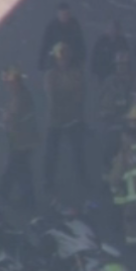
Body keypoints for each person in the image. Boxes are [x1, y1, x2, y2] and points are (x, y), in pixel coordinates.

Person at [43, 42, 90, 193]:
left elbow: (80, 95)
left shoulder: (76, 73)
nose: (63, 61)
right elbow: (52, 97)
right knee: (51, 153)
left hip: (73, 118)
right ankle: (48, 181)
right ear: (56, 59)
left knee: (78, 151)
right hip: (55, 119)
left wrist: (71, 107)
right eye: (60, 59)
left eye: (65, 59)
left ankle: (83, 179)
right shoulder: (50, 75)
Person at [0, 68, 38, 208]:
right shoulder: (20, 95)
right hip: (20, 139)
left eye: (10, 83)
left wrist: (6, 117)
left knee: (19, 167)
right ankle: (5, 190)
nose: (8, 86)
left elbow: (15, 118)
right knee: (18, 166)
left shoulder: (21, 98)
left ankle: (24, 197)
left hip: (22, 140)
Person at [97, 51, 136, 187]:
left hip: (130, 125)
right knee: (109, 152)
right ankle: (108, 179)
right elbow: (103, 103)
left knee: (130, 153)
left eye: (125, 65)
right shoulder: (109, 81)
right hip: (112, 124)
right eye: (120, 65)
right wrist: (109, 115)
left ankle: (128, 180)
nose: (122, 68)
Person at [38, 2, 86, 71]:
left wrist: (81, 58)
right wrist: (41, 61)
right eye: (63, 14)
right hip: (55, 62)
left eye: (67, 14)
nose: (65, 16)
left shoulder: (74, 26)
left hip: (72, 62)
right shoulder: (52, 27)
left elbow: (80, 44)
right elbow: (45, 45)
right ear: (58, 14)